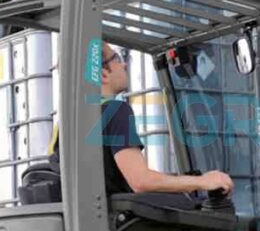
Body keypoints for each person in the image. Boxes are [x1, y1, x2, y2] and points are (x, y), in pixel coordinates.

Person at [99, 45, 234, 198]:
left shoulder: (79, 123)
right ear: (103, 75)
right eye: (116, 58)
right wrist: (202, 181)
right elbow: (140, 181)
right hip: (119, 219)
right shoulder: (115, 111)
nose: (124, 64)